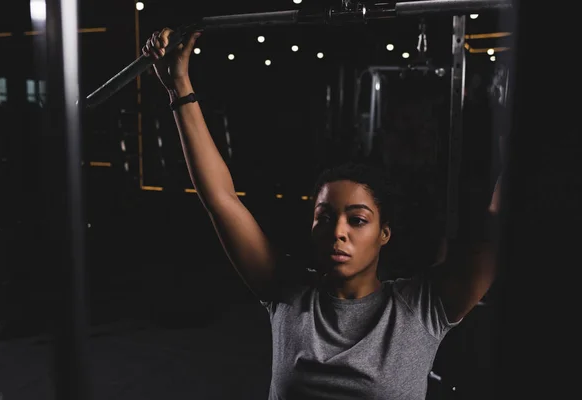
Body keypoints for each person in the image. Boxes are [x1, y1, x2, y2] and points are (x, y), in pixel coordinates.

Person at [143, 28, 501, 400]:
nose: (338, 232)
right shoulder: (287, 292)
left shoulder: (422, 307)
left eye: (358, 219)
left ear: (385, 233)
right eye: (325, 217)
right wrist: (177, 86)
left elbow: (496, 224)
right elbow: (221, 199)